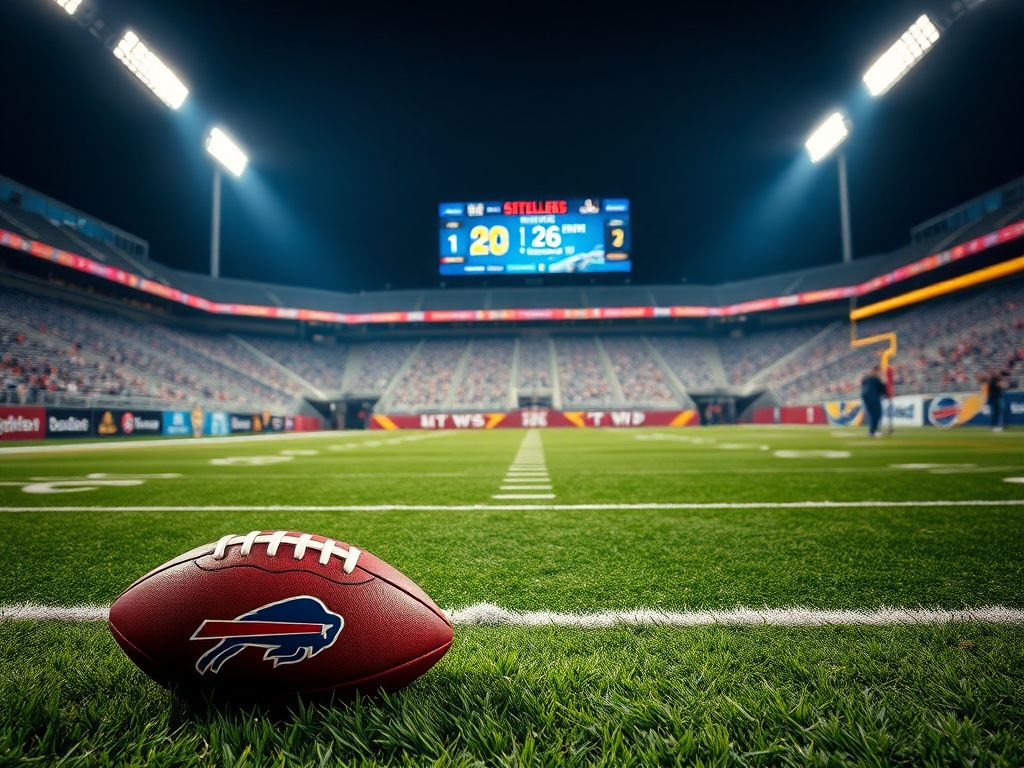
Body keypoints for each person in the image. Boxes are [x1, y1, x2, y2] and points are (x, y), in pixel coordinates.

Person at [860, 365, 886, 437]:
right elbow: (882, 389)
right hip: (873, 398)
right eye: (880, 371)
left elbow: (863, 383)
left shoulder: (867, 377)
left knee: (872, 415)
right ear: (877, 371)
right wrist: (884, 382)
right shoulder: (876, 378)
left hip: (866, 397)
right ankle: (873, 431)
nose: (881, 372)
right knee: (877, 414)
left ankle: (872, 431)